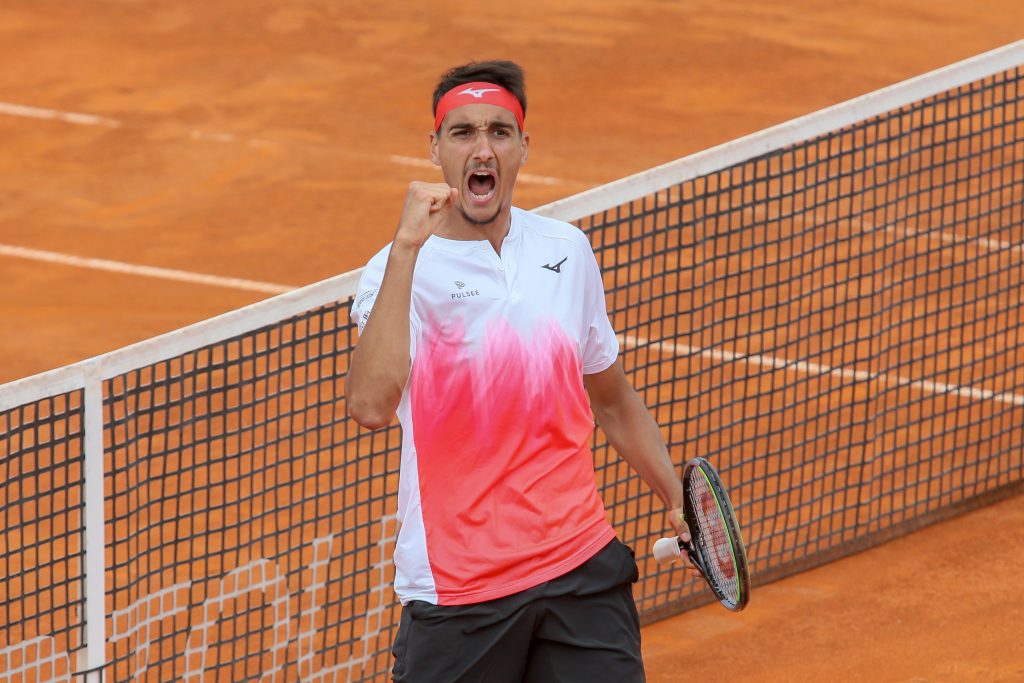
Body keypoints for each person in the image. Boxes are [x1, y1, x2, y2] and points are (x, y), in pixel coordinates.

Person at [346, 59, 689, 682]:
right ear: (435, 149)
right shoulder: (396, 271)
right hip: (459, 593)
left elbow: (610, 398)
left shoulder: (565, 250)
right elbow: (371, 405)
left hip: (579, 567)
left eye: (500, 132)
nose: (483, 148)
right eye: (463, 132)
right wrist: (403, 250)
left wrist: (675, 496)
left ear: (523, 148)